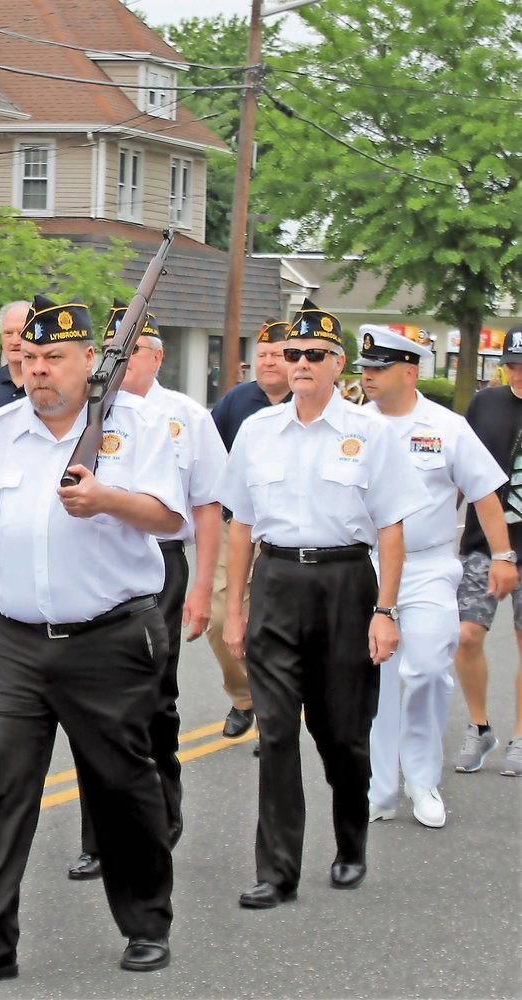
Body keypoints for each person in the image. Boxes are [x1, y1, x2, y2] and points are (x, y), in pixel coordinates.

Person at [0, 295, 185, 985]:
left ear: (90, 363)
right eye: (30, 358)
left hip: (108, 638)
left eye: (54, 359)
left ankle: (146, 921)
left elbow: (167, 516)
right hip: (11, 640)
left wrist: (106, 499)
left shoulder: (134, 427)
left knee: (121, 786)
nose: (37, 370)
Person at [217, 300, 424, 909]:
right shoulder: (257, 431)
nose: (299, 364)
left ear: (338, 366)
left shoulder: (370, 433)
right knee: (277, 732)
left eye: (314, 355)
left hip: (345, 586)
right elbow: (239, 524)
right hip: (277, 580)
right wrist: (235, 612)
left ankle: (350, 845)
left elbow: (390, 529)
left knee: (341, 737)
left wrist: (385, 612)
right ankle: (277, 871)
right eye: (290, 354)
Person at [67, 305, 225, 881]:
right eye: (113, 349)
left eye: (133, 349)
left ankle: (163, 808)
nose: (121, 359)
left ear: (156, 356)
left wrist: (204, 588)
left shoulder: (184, 416)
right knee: (90, 701)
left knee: (152, 695)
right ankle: (97, 835)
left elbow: (207, 506)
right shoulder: (83, 413)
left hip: (161, 565)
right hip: (93, 560)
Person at [356, 326, 514, 825]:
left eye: (379, 368)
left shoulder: (445, 426)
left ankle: (422, 780)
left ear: (409, 370)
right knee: (375, 680)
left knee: (424, 669)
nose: (369, 376)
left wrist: (504, 556)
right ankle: (380, 789)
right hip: (367, 565)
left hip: (426, 565)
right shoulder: (352, 425)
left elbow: (486, 493)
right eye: (365, 367)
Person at [207, 320, 292, 738]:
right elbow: (210, 454)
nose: (269, 362)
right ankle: (245, 697)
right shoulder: (237, 402)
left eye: (278, 354)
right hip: (236, 525)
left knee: (273, 622)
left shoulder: (309, 401)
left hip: (286, 533)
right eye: (263, 355)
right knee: (221, 617)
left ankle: (276, 709)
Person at [452, 326, 522, 776]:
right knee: (466, 635)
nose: (519, 374)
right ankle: (480, 728)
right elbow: (458, 470)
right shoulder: (486, 404)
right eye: (513, 366)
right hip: (484, 544)